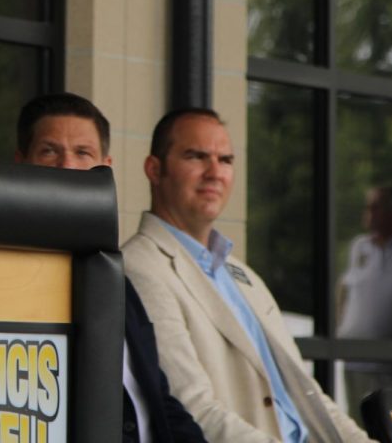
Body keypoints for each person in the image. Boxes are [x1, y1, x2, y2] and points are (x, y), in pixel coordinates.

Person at [123, 108, 376, 443]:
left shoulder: (242, 275)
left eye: (225, 159)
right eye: (196, 156)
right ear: (155, 169)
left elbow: (307, 395)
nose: (215, 172)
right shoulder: (139, 266)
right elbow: (193, 411)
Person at [15, 93, 206, 443]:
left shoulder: (115, 273)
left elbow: (158, 401)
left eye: (83, 153)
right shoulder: (3, 274)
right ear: (21, 162)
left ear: (106, 167)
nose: (68, 166)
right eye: (49, 151)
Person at [337, 186, 392, 422]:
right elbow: (344, 292)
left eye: (375, 207)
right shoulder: (360, 247)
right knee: (358, 430)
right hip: (354, 364)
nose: (367, 213)